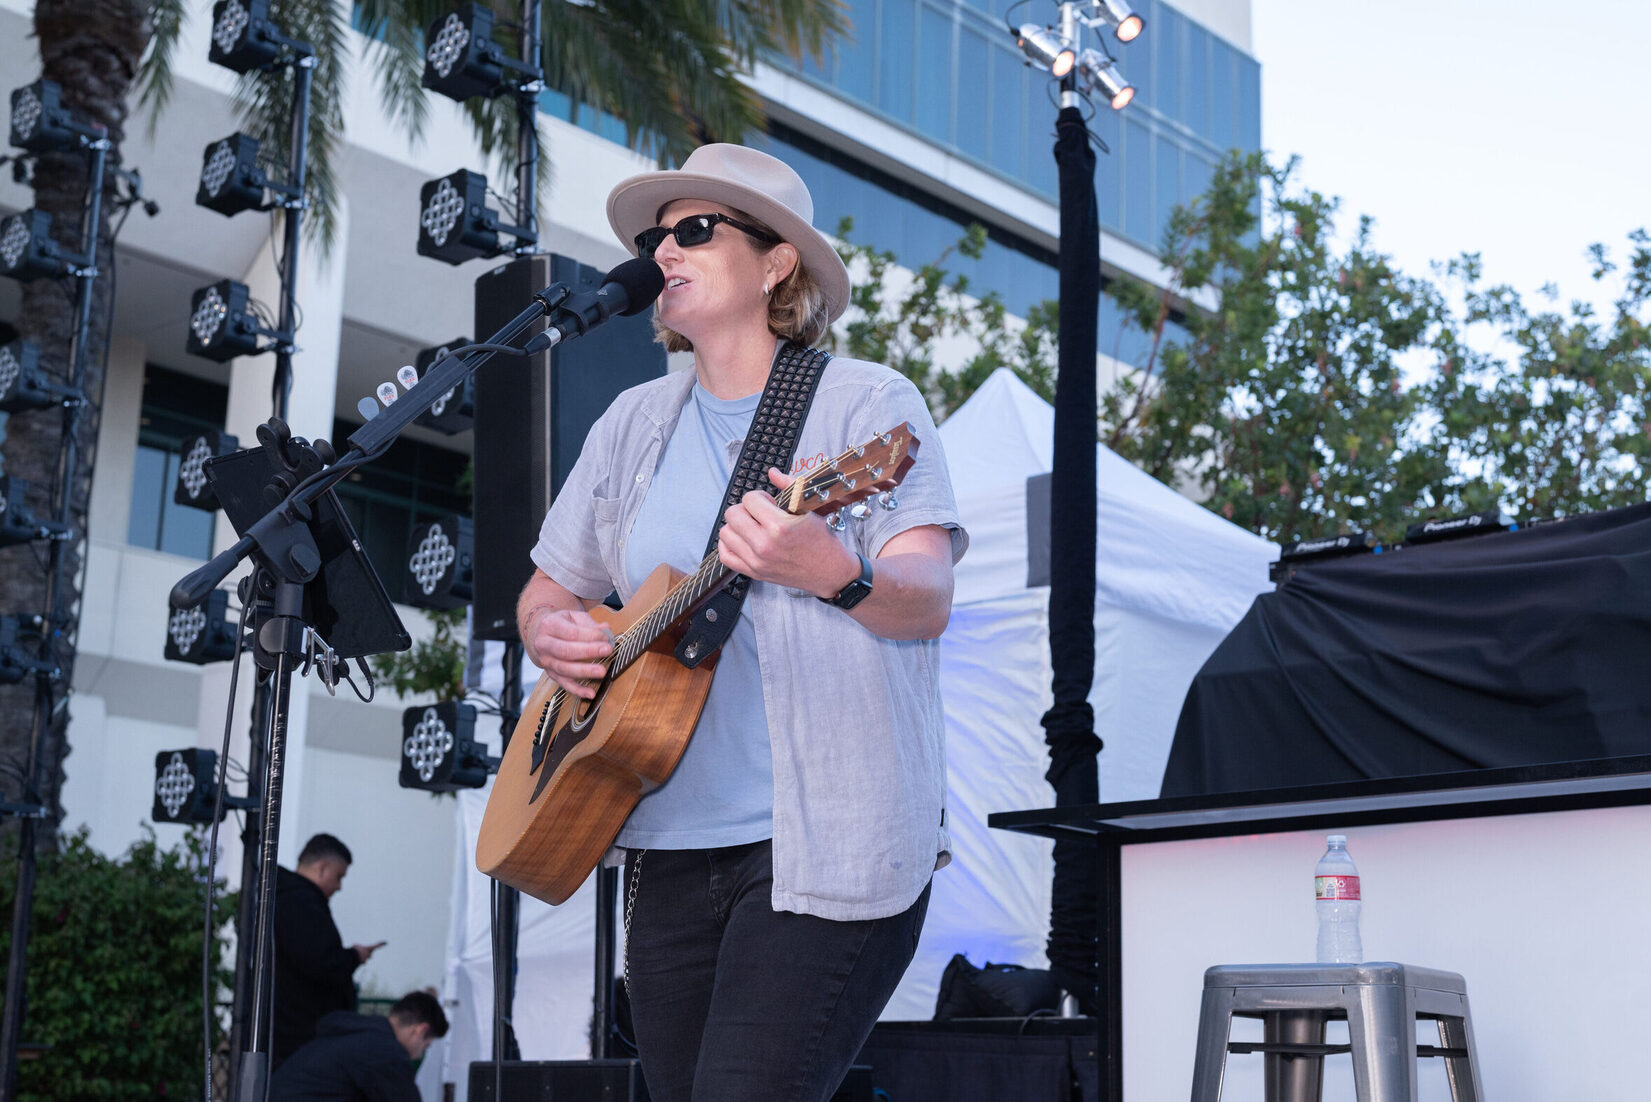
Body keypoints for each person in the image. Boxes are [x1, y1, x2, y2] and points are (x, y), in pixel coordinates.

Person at [516, 143, 967, 1102]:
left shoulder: (866, 405)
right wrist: (550, 633)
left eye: (693, 230)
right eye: (653, 238)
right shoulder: (631, 422)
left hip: (825, 843)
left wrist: (836, 572)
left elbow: (926, 599)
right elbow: (548, 591)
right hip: (665, 845)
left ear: (776, 264)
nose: (661, 252)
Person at [273, 833, 386, 1068]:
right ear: (322, 868)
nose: (339, 887)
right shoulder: (301, 903)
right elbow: (319, 962)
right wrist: (353, 957)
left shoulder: (285, 898)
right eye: (339, 877)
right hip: (300, 1035)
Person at [269, 989, 448, 1102]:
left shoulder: (353, 1036)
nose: (418, 1056)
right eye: (425, 1046)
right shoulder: (384, 1051)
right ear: (420, 1030)